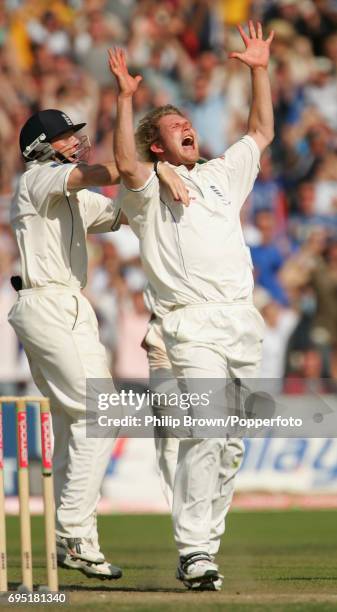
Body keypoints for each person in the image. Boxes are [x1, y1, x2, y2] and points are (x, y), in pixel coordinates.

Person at [109, 20, 274, 590]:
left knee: (231, 443)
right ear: (157, 144)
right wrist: (126, 103)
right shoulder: (147, 188)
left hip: (241, 322)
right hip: (190, 325)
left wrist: (259, 70)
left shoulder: (222, 176)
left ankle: (207, 545)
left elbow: (261, 130)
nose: (188, 129)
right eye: (174, 127)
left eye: (188, 124)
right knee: (206, 428)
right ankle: (194, 550)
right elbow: (127, 165)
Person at [8, 108, 188, 580]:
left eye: (74, 136)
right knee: (103, 414)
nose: (75, 143)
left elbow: (122, 210)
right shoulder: (35, 181)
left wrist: (161, 185)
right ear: (40, 147)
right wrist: (154, 162)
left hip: (64, 306)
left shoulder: (71, 198)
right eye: (66, 137)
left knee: (75, 422)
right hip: (50, 304)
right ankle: (74, 531)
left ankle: (74, 539)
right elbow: (107, 172)